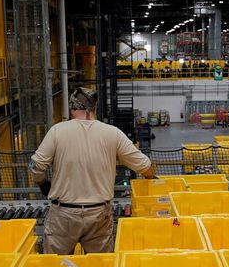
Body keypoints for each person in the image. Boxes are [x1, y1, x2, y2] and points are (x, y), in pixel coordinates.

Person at [29, 87, 155, 254]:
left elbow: (36, 166)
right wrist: (151, 177)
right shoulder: (113, 133)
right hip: (99, 214)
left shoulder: (57, 132)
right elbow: (145, 166)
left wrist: (42, 183)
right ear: (94, 108)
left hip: (64, 214)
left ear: (72, 109)